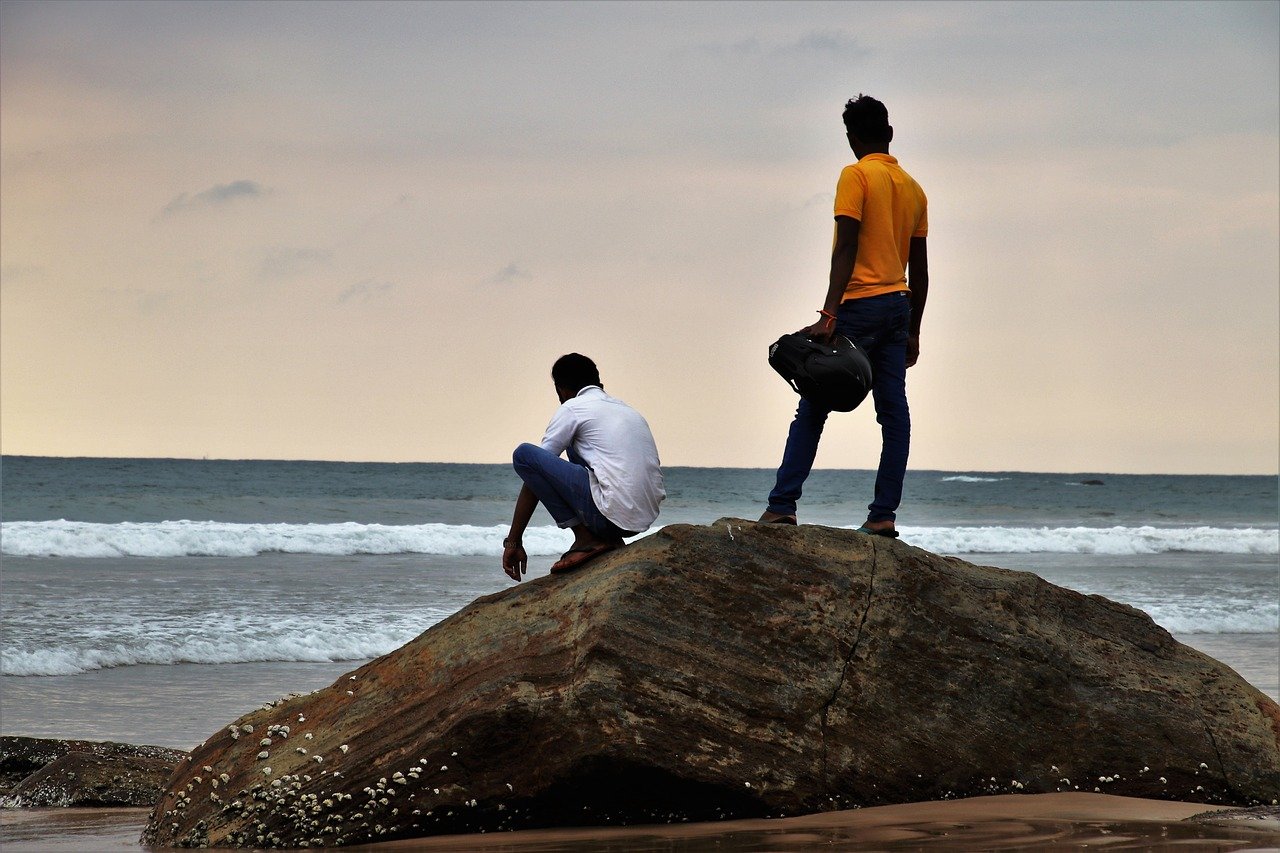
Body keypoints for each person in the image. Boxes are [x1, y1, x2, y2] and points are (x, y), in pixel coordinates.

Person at [760, 94, 929, 538]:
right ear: (889, 133)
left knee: (812, 404)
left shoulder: (855, 176)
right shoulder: (914, 188)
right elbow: (920, 271)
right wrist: (914, 331)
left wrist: (829, 313)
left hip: (858, 306)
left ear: (852, 139)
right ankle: (883, 515)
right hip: (898, 308)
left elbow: (847, 245)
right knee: (894, 413)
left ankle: (782, 506)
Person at [503, 353, 665, 580]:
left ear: (561, 390)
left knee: (524, 455)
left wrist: (513, 541)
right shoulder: (629, 411)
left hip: (611, 515)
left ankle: (585, 538)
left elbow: (535, 469)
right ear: (599, 384)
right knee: (575, 446)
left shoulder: (573, 407)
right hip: (641, 519)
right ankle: (608, 539)